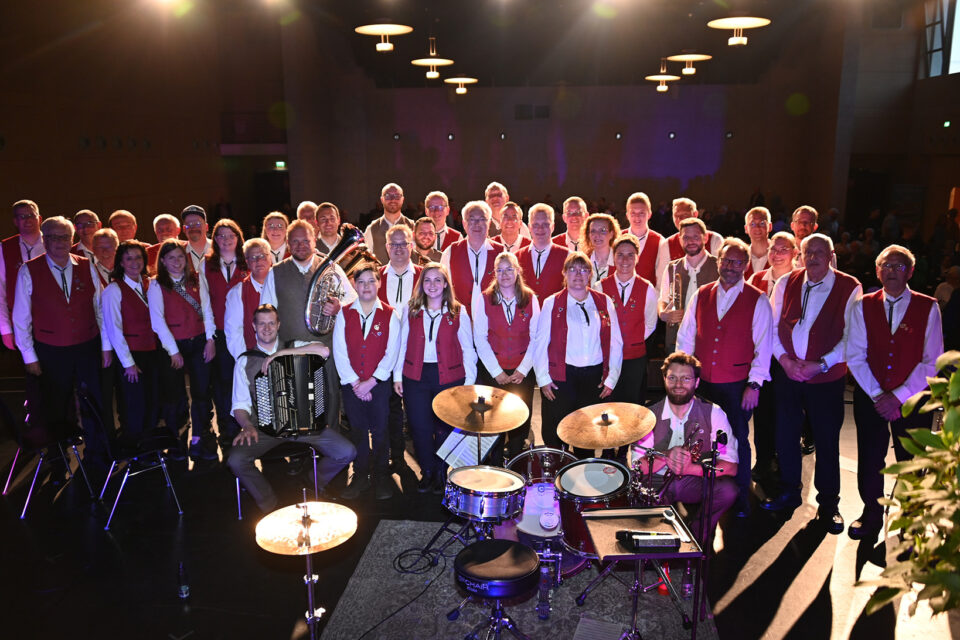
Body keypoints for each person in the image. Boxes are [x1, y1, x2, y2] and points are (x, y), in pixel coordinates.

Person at [762, 233, 861, 534]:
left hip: (826, 378)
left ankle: (829, 506)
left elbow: (853, 337)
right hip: (789, 374)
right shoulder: (785, 283)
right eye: (809, 252)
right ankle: (789, 492)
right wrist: (786, 361)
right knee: (785, 437)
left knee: (827, 443)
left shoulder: (849, 286)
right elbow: (772, 328)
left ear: (831, 255)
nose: (814, 257)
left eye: (820, 252)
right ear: (801, 255)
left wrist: (821, 364)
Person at [846, 245, 943, 540]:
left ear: (911, 272)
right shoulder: (862, 304)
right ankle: (871, 514)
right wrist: (879, 396)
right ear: (877, 271)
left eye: (899, 267)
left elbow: (933, 359)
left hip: (913, 398)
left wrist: (898, 396)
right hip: (870, 396)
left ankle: (911, 523)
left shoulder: (929, 306)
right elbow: (855, 355)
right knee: (871, 459)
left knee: (912, 462)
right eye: (886, 266)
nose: (891, 272)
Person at [676, 238, 773, 517]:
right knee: (697, 439)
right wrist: (684, 375)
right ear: (718, 262)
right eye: (727, 261)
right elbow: (685, 338)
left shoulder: (758, 299)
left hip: (736, 385)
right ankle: (699, 494)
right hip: (702, 383)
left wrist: (754, 384)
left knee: (736, 440)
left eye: (738, 262)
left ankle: (741, 497)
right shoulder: (701, 294)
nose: (731, 267)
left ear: (745, 266)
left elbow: (764, 347)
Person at [228, 304, 356, 513]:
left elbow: (323, 350)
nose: (267, 328)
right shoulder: (244, 361)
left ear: (278, 324)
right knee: (236, 460)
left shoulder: (294, 345)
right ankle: (269, 504)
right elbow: (239, 405)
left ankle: (312, 482)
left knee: (346, 452)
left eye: (271, 323)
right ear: (254, 326)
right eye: (262, 324)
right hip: (264, 428)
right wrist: (246, 426)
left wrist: (280, 355)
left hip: (303, 423)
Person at [13, 216, 111, 468]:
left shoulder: (86, 265)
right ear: (44, 240)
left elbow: (100, 309)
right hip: (50, 350)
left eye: (64, 237)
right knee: (55, 407)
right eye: (53, 237)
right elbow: (21, 318)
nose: (59, 242)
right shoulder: (29, 270)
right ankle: (58, 460)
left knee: (94, 401)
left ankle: (98, 453)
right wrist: (29, 356)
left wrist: (105, 346)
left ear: (72, 240)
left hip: (87, 345)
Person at [259, 220, 357, 433]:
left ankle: (330, 445)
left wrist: (339, 306)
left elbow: (353, 301)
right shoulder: (275, 272)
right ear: (287, 244)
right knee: (295, 400)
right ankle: (298, 450)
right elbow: (266, 313)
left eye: (306, 240)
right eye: (295, 241)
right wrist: (270, 351)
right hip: (290, 348)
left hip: (325, 346)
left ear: (315, 241)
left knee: (328, 396)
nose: (301, 245)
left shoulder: (331, 267)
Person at [628, 352, 739, 539]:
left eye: (685, 378)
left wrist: (691, 468)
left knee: (728, 491)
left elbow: (731, 467)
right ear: (664, 379)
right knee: (642, 511)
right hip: (657, 480)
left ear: (696, 382)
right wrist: (665, 456)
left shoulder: (714, 413)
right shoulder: (647, 415)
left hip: (694, 480)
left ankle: (696, 535)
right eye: (672, 378)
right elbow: (638, 467)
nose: (678, 384)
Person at [394, 263, 477, 493]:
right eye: (427, 280)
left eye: (437, 280)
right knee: (420, 427)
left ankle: (442, 472)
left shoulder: (458, 311)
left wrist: (468, 383)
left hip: (449, 377)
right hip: (415, 377)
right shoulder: (411, 309)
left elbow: (468, 349)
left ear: (445, 284)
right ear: (421, 284)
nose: (432, 285)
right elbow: (402, 344)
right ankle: (427, 472)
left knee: (445, 428)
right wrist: (397, 376)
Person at [533, 252, 623, 456]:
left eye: (584, 269)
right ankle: (557, 475)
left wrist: (612, 378)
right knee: (557, 431)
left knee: (586, 433)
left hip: (593, 377)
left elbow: (616, 341)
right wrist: (543, 378)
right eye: (572, 269)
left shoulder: (604, 301)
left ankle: (583, 479)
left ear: (590, 274)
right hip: (561, 377)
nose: (578, 274)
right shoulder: (551, 303)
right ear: (564, 273)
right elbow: (540, 344)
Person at [333, 265, 401, 500]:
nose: (366, 286)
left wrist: (371, 382)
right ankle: (360, 475)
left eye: (371, 281)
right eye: (361, 282)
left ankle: (381, 476)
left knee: (381, 432)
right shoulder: (343, 314)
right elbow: (340, 352)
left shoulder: (391, 315)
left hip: (378, 385)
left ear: (379, 283)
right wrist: (355, 384)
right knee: (358, 432)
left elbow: (391, 354)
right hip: (352, 386)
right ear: (354, 284)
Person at [148, 239, 218, 461]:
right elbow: (157, 321)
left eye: (180, 257)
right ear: (163, 261)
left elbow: (207, 310)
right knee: (175, 396)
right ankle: (178, 440)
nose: (176, 262)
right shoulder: (156, 284)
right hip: (173, 346)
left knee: (201, 392)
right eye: (171, 258)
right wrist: (172, 351)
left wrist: (210, 340)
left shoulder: (197, 279)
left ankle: (201, 437)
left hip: (199, 341)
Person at [472, 252, 540, 465]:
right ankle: (494, 463)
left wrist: (523, 369)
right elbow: (480, 338)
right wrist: (496, 372)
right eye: (499, 270)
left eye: (509, 269)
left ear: (518, 271)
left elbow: (537, 337)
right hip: (494, 372)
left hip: (522, 373)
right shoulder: (483, 298)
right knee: (493, 420)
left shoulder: (530, 298)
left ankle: (516, 462)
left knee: (520, 419)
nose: (504, 274)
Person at [748, 232, 798, 487]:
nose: (777, 254)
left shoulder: (800, 281)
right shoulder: (757, 279)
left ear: (794, 253)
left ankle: (782, 460)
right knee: (763, 412)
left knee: (785, 412)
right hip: (761, 355)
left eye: (783, 249)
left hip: (786, 357)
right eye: (773, 249)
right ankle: (764, 459)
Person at [101, 241, 158, 448]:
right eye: (129, 258)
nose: (134, 262)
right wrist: (128, 363)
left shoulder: (150, 284)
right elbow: (113, 329)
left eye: (138, 257)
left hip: (152, 352)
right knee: (134, 405)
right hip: (131, 355)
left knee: (152, 403)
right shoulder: (113, 290)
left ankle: (149, 448)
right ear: (121, 263)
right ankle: (135, 450)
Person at [599, 235, 657, 407]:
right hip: (607, 358)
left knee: (633, 405)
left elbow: (650, 324)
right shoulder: (600, 287)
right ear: (613, 257)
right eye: (620, 254)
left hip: (635, 358)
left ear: (637, 258)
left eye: (630, 255)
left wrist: (632, 340)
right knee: (608, 403)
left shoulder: (647, 288)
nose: (625, 259)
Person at [204, 219, 248, 446]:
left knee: (246, 378)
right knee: (223, 382)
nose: (226, 239)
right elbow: (204, 303)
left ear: (238, 238)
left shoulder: (248, 261)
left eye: (230, 235)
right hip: (221, 333)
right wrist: (210, 336)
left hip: (247, 333)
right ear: (215, 240)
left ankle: (250, 426)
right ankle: (227, 429)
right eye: (220, 235)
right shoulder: (207, 265)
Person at [657, 218, 719, 354]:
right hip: (678, 339)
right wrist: (663, 314)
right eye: (686, 237)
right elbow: (663, 299)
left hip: (710, 339)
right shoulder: (672, 267)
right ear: (680, 240)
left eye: (696, 237)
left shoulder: (719, 266)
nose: (690, 241)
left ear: (706, 237)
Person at [440, 201, 504, 314]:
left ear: (489, 223)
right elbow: (442, 290)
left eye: (482, 219)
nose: (477, 224)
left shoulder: (501, 252)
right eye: (472, 219)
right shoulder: (450, 252)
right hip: (459, 322)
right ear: (464, 224)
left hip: (492, 321)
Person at [1, 200, 45, 349]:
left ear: (39, 218)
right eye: (21, 216)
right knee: (32, 368)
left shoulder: (54, 243)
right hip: (21, 322)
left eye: (31, 215)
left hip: (53, 320)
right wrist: (5, 329)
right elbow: (0, 292)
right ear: (15, 221)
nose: (27, 220)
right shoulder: (4, 248)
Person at [225, 238, 273, 360]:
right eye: (253, 257)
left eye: (263, 255)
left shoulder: (283, 285)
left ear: (270, 258)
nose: (258, 261)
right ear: (247, 262)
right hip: (253, 358)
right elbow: (234, 332)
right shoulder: (237, 292)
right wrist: (244, 360)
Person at [517, 203, 570, 302]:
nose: (540, 229)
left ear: (553, 227)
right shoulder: (516, 257)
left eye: (545, 224)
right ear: (529, 227)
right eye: (536, 224)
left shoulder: (568, 256)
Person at [657, 197, 723, 266]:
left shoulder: (714, 239)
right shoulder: (667, 244)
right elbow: (662, 275)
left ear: (695, 214)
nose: (680, 219)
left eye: (685, 215)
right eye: (676, 216)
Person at [621, 191, 664, 286]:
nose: (637, 217)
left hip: (648, 298)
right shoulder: (617, 238)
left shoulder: (660, 241)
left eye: (641, 213)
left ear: (649, 215)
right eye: (633, 213)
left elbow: (662, 279)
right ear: (627, 215)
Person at [364, 183, 415, 263]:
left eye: (397, 196)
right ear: (382, 199)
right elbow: (366, 261)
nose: (392, 199)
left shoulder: (413, 226)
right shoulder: (371, 229)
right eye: (388, 196)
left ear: (402, 199)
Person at [583, 213, 619, 287]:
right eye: (593, 231)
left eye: (602, 230)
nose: (597, 235)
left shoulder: (621, 261)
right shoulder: (582, 260)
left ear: (611, 234)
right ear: (588, 235)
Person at [181, 205, 212, 273]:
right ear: (184, 229)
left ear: (206, 227)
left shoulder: (219, 249)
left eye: (198, 224)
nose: (194, 228)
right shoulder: (179, 253)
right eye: (189, 224)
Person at [744, 207, 771, 278]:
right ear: (746, 229)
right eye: (752, 224)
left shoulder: (779, 255)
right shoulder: (741, 257)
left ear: (770, 226)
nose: (757, 227)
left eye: (762, 223)